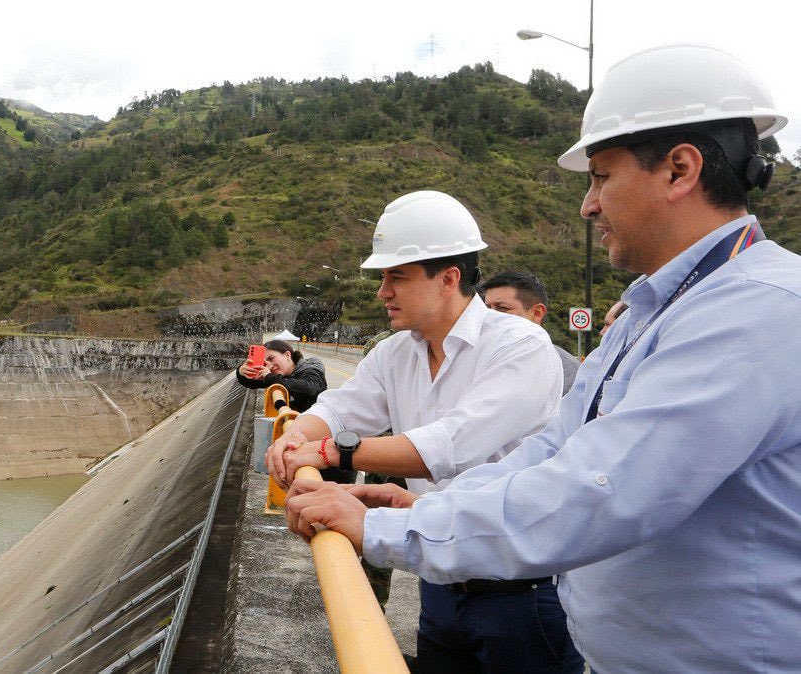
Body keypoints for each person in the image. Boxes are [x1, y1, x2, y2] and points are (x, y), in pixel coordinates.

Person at [283, 44, 801, 672]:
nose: (588, 205)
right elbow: (555, 450)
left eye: (601, 177)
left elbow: (602, 489)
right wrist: (428, 508)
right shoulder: (654, 311)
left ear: (679, 170)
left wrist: (386, 528)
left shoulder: (758, 312)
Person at [266, 190, 578, 672]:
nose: (382, 292)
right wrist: (297, 434)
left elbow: (450, 445)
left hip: (519, 593)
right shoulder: (396, 353)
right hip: (440, 581)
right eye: (383, 278)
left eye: (397, 277)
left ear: (448, 278)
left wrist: (329, 452)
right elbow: (342, 408)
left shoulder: (520, 346)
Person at [237, 339, 354, 482]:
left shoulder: (311, 367)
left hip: (330, 449)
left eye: (271, 358)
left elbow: (309, 388)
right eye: (265, 362)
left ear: (287, 355)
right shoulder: (279, 376)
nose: (270, 366)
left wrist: (269, 377)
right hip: (304, 444)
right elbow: (252, 382)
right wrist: (241, 372)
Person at [480, 270, 580, 394]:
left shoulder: (566, 370)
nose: (489, 317)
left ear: (537, 313)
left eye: (502, 308)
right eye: (487, 308)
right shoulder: (477, 356)